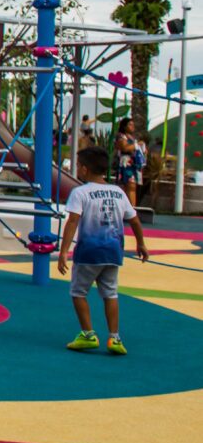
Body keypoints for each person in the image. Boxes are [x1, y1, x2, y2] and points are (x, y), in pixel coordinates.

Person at [58, 146, 148, 354]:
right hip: (113, 251)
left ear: (85, 169)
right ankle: (114, 338)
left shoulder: (80, 192)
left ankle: (88, 334)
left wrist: (63, 252)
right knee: (110, 293)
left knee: (78, 292)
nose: (78, 169)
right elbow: (134, 220)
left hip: (89, 252)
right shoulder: (118, 192)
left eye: (79, 165)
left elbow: (72, 221)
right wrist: (141, 243)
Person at [113, 117, 142, 208]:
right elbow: (124, 148)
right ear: (124, 126)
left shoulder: (132, 138)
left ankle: (132, 208)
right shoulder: (121, 136)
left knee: (132, 187)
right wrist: (137, 145)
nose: (132, 126)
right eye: (130, 124)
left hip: (134, 164)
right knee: (130, 185)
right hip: (126, 163)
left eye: (133, 125)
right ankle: (131, 209)